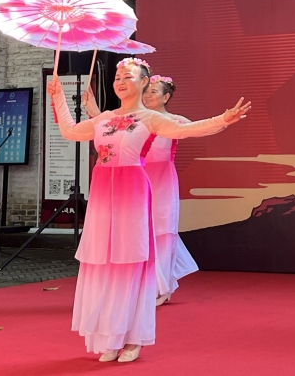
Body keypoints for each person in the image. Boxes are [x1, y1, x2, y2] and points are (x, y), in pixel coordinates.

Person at [48, 57, 250, 362]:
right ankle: (111, 336)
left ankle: (133, 338)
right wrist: (57, 96)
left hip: (132, 193)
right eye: (118, 76)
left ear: (144, 82)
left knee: (131, 264)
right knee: (105, 266)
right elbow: (69, 131)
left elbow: (187, 130)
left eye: (128, 76)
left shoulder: (150, 119)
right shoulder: (104, 119)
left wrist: (223, 119)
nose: (120, 81)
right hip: (102, 197)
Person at [87, 74, 198, 305]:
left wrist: (222, 120)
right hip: (138, 180)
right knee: (140, 232)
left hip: (163, 182)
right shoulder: (135, 120)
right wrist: (94, 109)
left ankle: (162, 287)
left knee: (162, 232)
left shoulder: (174, 121)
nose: (147, 96)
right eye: (146, 91)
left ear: (166, 97)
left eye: (154, 92)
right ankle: (142, 285)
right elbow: (107, 126)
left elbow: (198, 128)